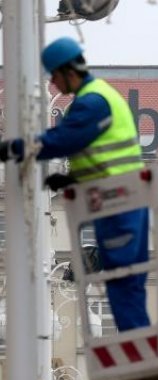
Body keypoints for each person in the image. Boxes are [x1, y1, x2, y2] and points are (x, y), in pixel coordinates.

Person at [0, 37, 150, 332]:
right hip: (117, 199)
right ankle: (136, 344)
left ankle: (135, 347)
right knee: (124, 281)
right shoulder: (96, 98)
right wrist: (71, 178)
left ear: (69, 70)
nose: (54, 84)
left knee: (123, 281)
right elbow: (100, 156)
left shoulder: (93, 102)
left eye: (54, 76)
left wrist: (15, 149)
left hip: (118, 203)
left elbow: (64, 140)